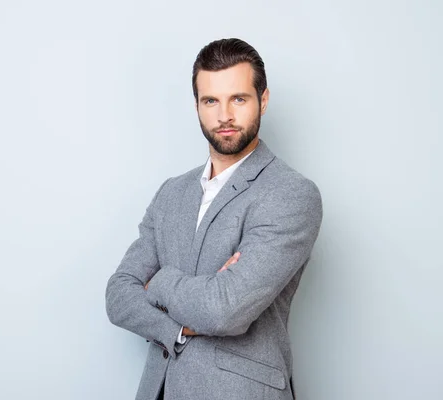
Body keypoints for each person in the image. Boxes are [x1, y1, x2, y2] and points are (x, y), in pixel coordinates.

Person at [105, 38, 323, 400]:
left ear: (263, 100)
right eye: (211, 101)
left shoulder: (290, 194)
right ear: (197, 106)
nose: (224, 115)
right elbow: (118, 295)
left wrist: (157, 283)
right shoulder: (171, 193)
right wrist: (175, 328)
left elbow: (224, 310)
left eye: (238, 98)